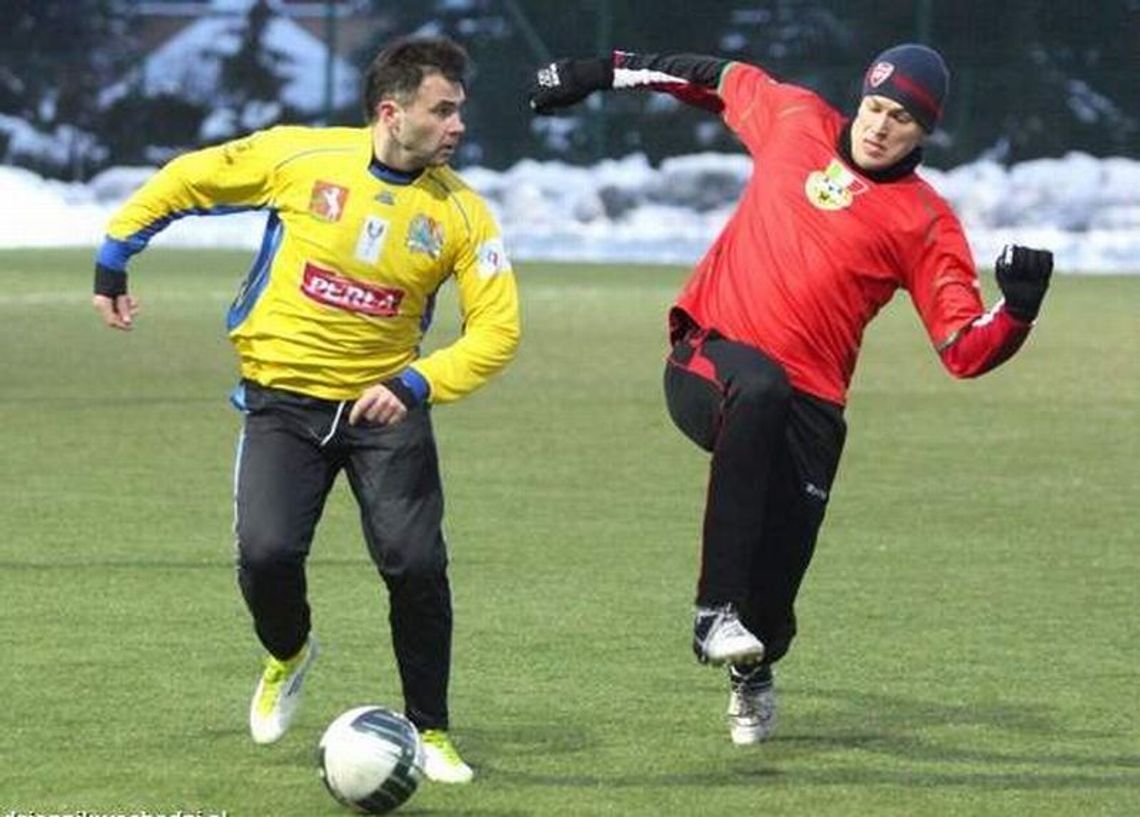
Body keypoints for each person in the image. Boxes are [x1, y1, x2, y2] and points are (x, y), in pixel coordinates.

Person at [529, 44, 1052, 745]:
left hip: (810, 412)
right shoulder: (794, 117)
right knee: (761, 386)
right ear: (857, 97)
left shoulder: (927, 223)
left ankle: (752, 664)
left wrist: (1018, 309)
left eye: (900, 118)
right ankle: (712, 609)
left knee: (772, 605)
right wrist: (600, 70)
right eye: (873, 107)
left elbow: (962, 349)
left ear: (924, 133)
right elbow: (707, 78)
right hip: (705, 361)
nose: (878, 126)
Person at [92, 36, 520, 782]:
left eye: (459, 111)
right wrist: (115, 252)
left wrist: (417, 384)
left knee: (416, 564)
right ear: (392, 112)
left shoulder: (464, 215)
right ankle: (288, 651)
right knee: (266, 554)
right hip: (281, 400)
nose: (457, 125)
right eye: (442, 110)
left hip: (385, 409)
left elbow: (497, 330)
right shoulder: (301, 158)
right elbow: (192, 179)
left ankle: (432, 727)